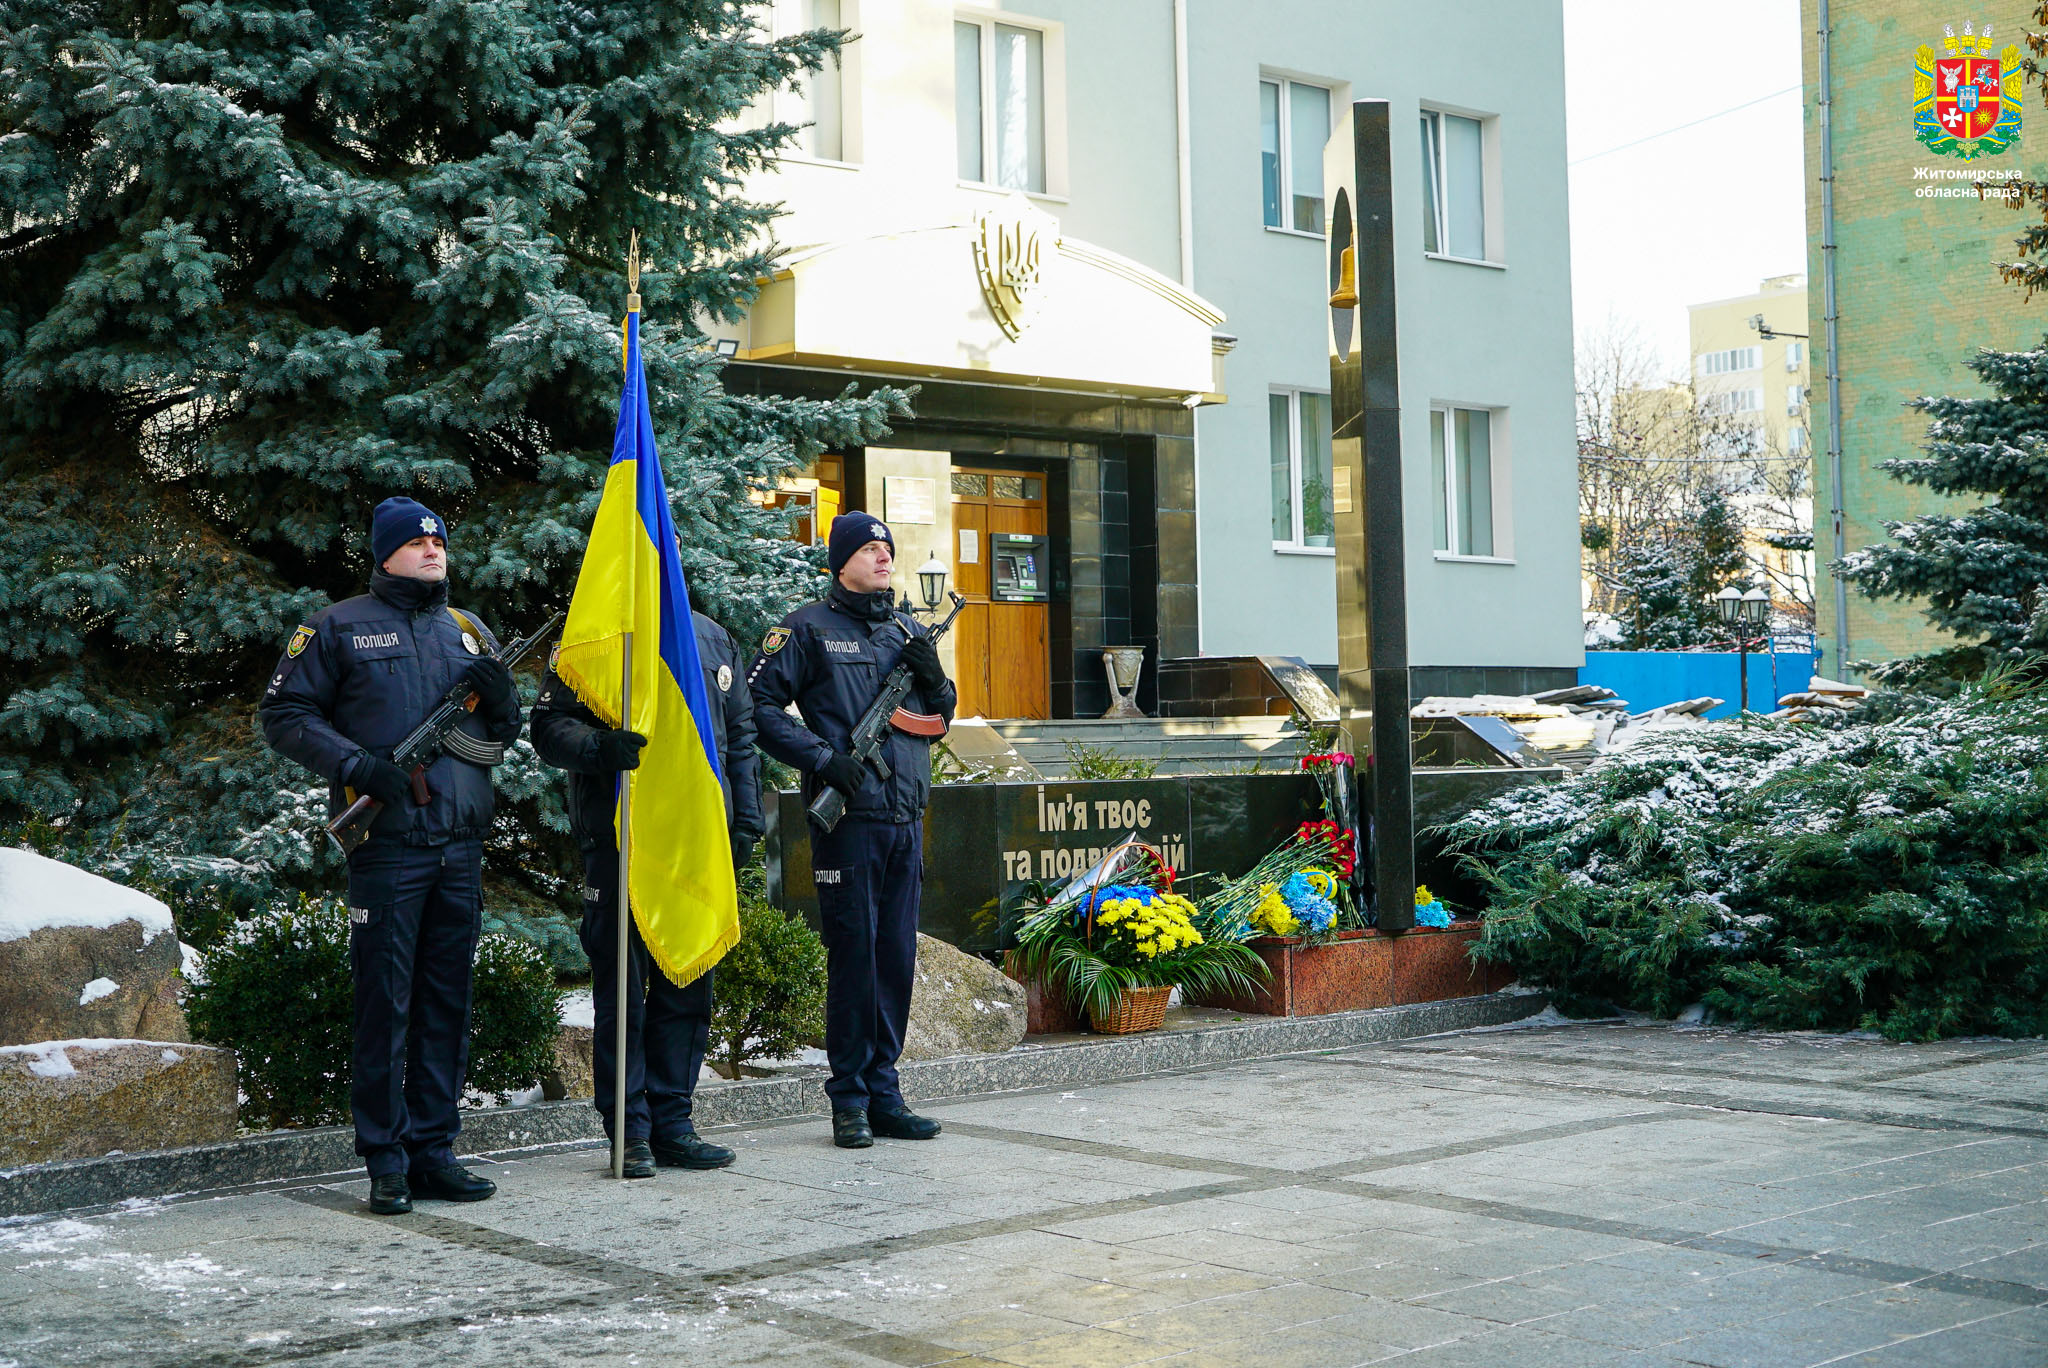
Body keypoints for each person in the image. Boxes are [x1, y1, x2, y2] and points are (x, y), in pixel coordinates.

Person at [259, 497, 524, 1216]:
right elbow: (283, 716)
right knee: (387, 1002)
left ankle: (435, 1149)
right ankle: (385, 1158)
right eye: (416, 542)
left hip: (460, 844)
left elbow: (499, 738)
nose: (433, 550)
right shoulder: (335, 627)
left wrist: (503, 705)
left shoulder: (469, 630)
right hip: (388, 845)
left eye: (439, 540)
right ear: (384, 553)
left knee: (446, 1001)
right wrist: (361, 766)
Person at [529, 603, 762, 1177]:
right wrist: (597, 748)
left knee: (689, 983)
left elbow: (742, 737)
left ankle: (673, 1123)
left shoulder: (711, 636)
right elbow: (548, 728)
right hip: (621, 836)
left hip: (694, 838)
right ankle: (629, 1131)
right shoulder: (598, 632)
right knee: (623, 991)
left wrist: (747, 819)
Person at [747, 512, 955, 1149]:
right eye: (870, 549)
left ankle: (885, 1092)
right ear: (841, 561)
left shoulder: (906, 628)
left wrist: (933, 675)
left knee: (894, 960)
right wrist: (819, 757)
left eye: (888, 548)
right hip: (850, 819)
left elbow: (940, 716)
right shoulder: (806, 628)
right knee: (855, 961)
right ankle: (849, 1102)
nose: (884, 557)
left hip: (903, 819)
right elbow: (756, 708)